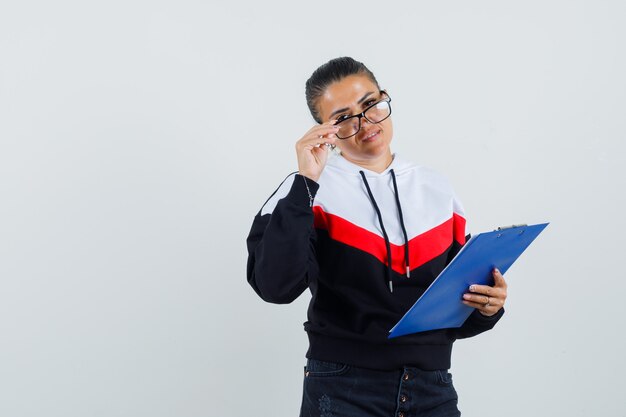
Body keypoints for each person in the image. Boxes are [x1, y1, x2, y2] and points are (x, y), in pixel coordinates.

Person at [246, 57, 508, 417]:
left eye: (371, 104)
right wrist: (306, 180)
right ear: (324, 129)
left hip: (434, 389)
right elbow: (275, 287)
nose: (364, 122)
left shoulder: (436, 187)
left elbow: (454, 304)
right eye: (343, 117)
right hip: (342, 390)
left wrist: (488, 307)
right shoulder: (304, 192)